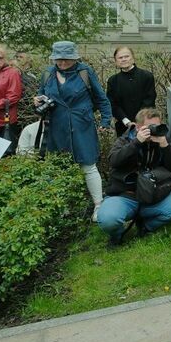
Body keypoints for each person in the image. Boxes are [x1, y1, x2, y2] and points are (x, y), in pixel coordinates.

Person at [35, 41, 112, 220]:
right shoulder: (48, 74)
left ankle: (98, 205)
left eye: (66, 60)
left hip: (81, 125)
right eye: (58, 60)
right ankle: (63, 208)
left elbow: (102, 99)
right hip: (57, 126)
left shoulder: (85, 72)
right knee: (59, 167)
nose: (61, 63)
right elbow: (41, 95)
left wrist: (106, 121)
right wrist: (38, 102)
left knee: (88, 165)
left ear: (74, 58)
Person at [97, 108, 171, 245]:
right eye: (150, 127)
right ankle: (117, 235)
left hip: (152, 195)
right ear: (138, 127)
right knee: (108, 220)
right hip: (125, 196)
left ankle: (146, 226)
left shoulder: (163, 140)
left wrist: (165, 146)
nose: (153, 130)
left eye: (156, 126)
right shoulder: (126, 140)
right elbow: (114, 161)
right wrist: (136, 143)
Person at [106, 46, 157, 132]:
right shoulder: (113, 81)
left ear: (133, 58)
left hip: (146, 123)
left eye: (126, 56)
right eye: (120, 57)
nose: (124, 59)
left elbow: (149, 100)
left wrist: (139, 121)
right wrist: (126, 121)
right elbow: (113, 104)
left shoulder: (146, 76)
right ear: (116, 61)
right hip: (123, 126)